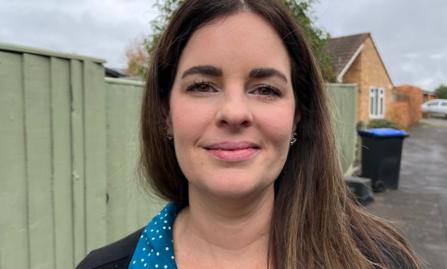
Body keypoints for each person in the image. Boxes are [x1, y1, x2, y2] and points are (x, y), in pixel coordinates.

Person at [77, 0, 421, 268]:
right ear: (166, 113)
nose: (234, 113)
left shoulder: (381, 260)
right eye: (202, 86)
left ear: (298, 116)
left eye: (266, 89)